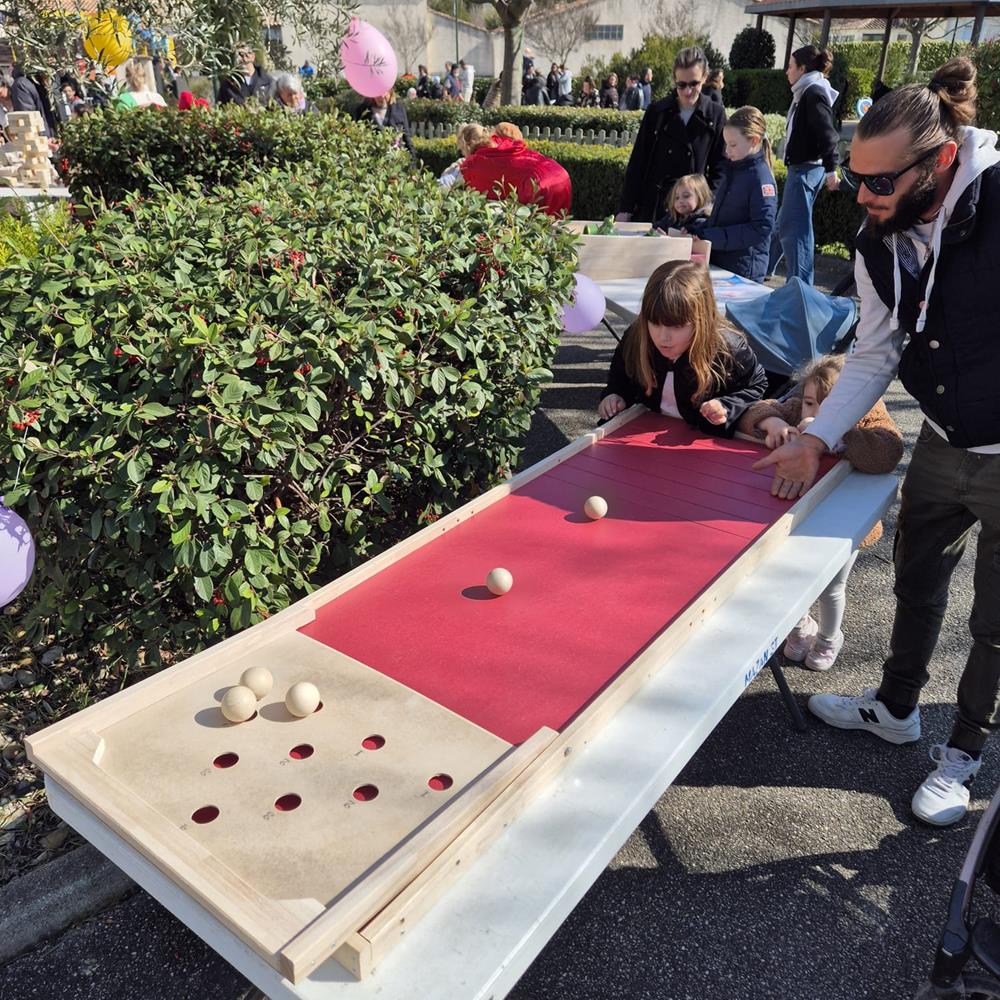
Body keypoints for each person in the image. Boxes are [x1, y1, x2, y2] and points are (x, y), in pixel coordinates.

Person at [754, 58, 1000, 827]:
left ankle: (963, 754)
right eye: (854, 178)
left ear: (942, 163)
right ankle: (897, 708)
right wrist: (817, 436)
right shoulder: (877, 235)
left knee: (993, 621)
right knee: (917, 576)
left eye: (879, 183)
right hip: (945, 436)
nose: (861, 197)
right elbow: (876, 349)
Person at [739, 354, 903, 669]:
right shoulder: (801, 404)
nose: (816, 412)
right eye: (812, 403)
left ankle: (829, 638)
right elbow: (758, 410)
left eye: (831, 406)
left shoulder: (867, 415)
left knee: (832, 586)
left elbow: (889, 450)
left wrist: (836, 435)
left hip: (842, 526)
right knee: (788, 579)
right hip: (799, 516)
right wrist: (772, 424)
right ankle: (800, 628)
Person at [598, 259, 767, 436]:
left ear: (701, 320)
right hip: (641, 433)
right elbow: (620, 377)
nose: (663, 337)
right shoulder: (637, 337)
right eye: (654, 323)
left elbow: (756, 385)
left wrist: (726, 405)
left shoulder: (729, 349)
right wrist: (615, 395)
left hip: (701, 442)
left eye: (677, 326)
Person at [616, 47, 727, 224]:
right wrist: (626, 208)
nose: (687, 91)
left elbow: (720, 167)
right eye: (681, 85)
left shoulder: (715, 114)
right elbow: (638, 161)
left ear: (704, 78)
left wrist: (709, 204)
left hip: (693, 211)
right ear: (675, 80)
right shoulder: (657, 112)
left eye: (694, 84)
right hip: (656, 206)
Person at [768, 45, 840, 285]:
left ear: (802, 69)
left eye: (790, 66)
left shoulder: (813, 92)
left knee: (795, 232)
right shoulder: (807, 91)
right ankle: (762, 269)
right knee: (783, 226)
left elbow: (827, 133)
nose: (786, 71)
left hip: (806, 170)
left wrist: (832, 168)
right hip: (804, 169)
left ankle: (800, 289)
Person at [683, 106, 777, 283]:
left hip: (744, 270)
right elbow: (722, 218)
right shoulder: (734, 170)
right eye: (726, 143)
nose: (727, 150)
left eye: (733, 144)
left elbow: (761, 228)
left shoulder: (760, 178)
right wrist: (697, 229)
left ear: (754, 141)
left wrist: (712, 236)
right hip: (724, 262)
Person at [461, 131, 571, 216]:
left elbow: (480, 197)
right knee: (556, 226)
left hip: (537, 182)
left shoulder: (473, 164)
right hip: (559, 173)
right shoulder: (506, 148)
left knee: (534, 229)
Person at [355, 89, 415, 156]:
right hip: (374, 159)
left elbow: (406, 136)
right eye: (378, 93)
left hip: (396, 159)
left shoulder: (399, 109)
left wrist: (413, 161)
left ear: (390, 92)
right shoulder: (362, 111)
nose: (381, 96)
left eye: (384, 92)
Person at [438, 122, 492, 188]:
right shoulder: (496, 154)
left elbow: (442, 185)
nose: (463, 154)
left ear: (467, 145)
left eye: (462, 149)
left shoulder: (470, 165)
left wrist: (451, 169)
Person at [10, 67, 50, 136]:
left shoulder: (46, 77)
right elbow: (28, 118)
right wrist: (43, 137)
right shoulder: (22, 84)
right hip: (44, 140)